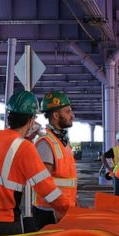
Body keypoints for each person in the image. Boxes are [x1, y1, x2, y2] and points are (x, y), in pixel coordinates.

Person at [0, 91, 63, 236]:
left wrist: (26, 139)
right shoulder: (24, 147)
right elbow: (47, 189)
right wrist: (70, 210)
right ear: (30, 120)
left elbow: (8, 161)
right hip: (5, 221)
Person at [32, 91, 77, 228]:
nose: (72, 115)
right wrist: (58, 208)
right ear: (56, 115)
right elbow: (43, 183)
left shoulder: (63, 141)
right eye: (68, 112)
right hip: (50, 213)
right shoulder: (46, 143)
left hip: (63, 209)